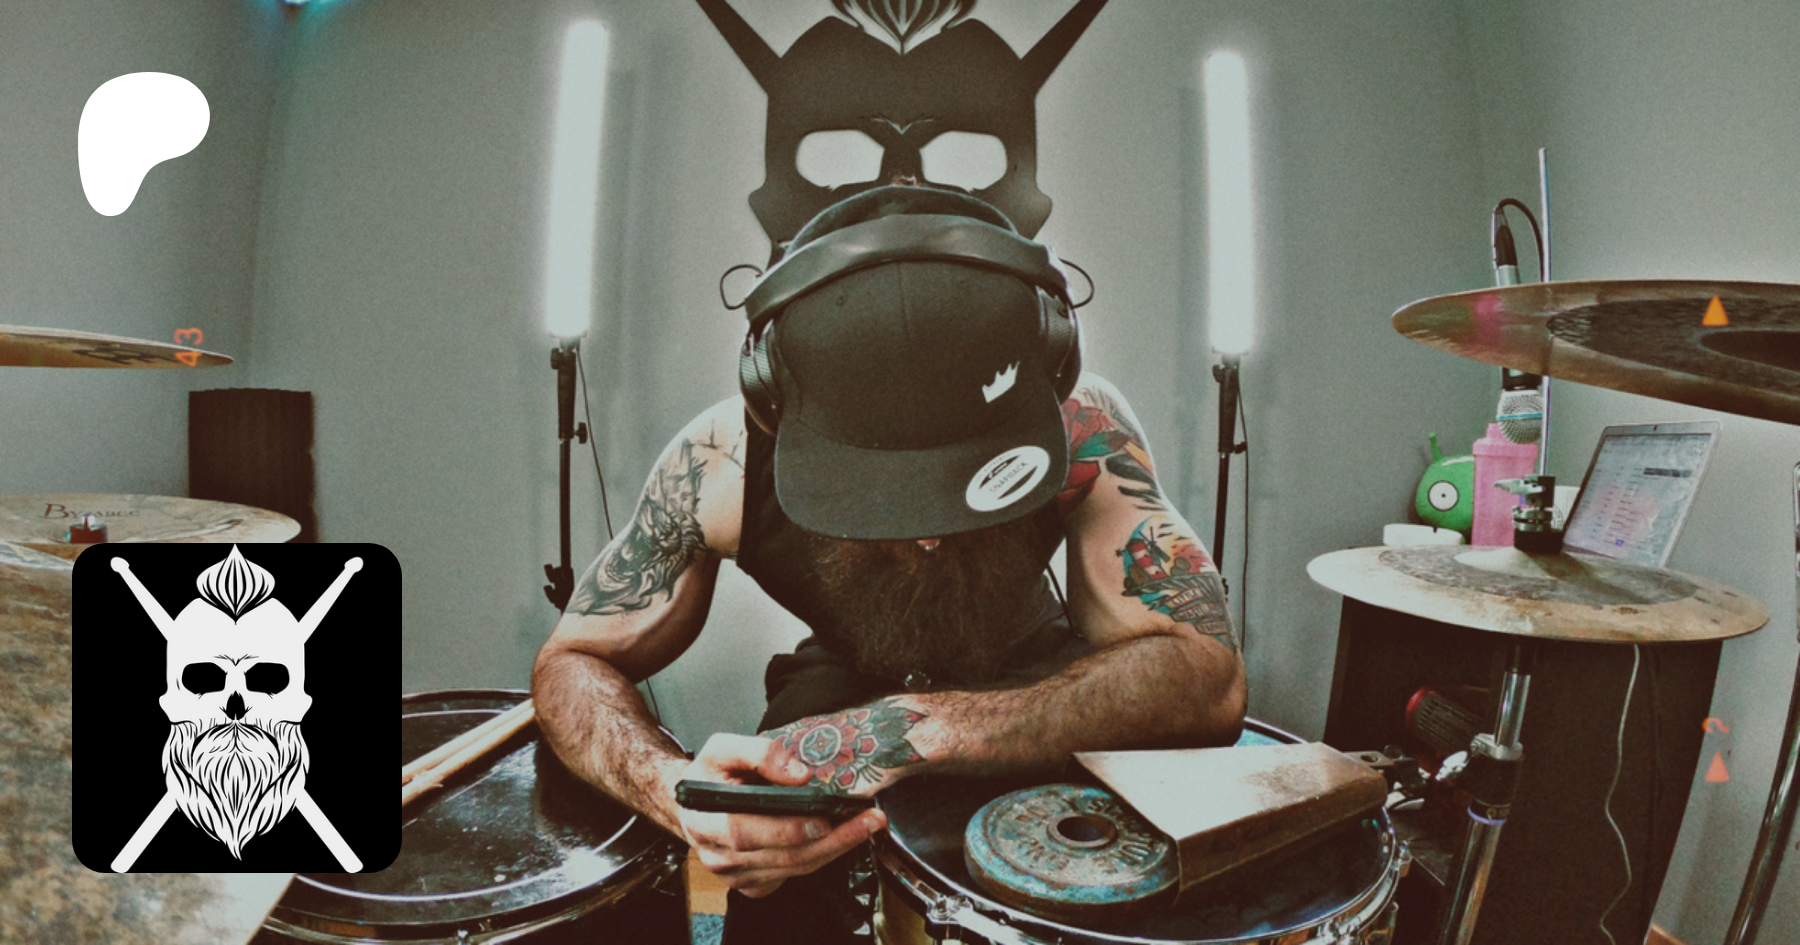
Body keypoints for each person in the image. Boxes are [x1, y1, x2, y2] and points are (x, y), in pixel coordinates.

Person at [532, 186, 1247, 943]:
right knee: (777, 906)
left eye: (964, 478)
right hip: (839, 683)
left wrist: (917, 730)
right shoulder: (721, 463)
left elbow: (1207, 676)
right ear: (775, 401)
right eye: (881, 489)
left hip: (1029, 678)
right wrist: (671, 790)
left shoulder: (1080, 429)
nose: (929, 535)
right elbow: (571, 660)